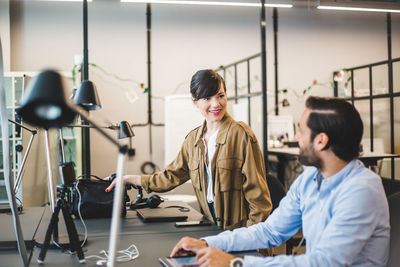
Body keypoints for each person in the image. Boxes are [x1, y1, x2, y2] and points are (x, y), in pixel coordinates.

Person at [170, 96, 390, 267]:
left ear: (321, 140)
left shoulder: (362, 190)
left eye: (301, 131)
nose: (297, 138)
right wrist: (209, 243)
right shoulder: (309, 180)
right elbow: (270, 231)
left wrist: (234, 263)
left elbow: (324, 263)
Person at [106, 69, 272, 230]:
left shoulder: (241, 135)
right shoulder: (193, 140)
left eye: (220, 96)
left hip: (241, 231)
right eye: (207, 98)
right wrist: (128, 178)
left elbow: (259, 202)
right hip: (211, 227)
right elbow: (170, 177)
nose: (216, 104)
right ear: (195, 102)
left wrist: (249, 240)